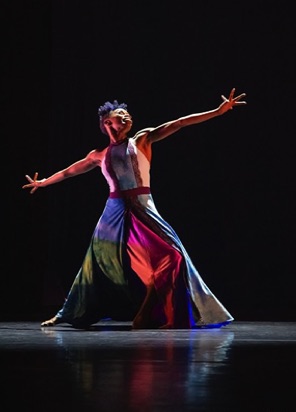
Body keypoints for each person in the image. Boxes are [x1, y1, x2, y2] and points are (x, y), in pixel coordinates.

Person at [23, 87, 246, 329]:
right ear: (107, 123)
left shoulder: (142, 139)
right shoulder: (98, 154)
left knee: (173, 255)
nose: (127, 117)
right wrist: (42, 182)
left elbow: (179, 123)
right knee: (96, 263)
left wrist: (218, 111)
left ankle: (158, 311)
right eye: (121, 115)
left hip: (142, 207)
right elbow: (69, 171)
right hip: (113, 212)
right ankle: (68, 313)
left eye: (127, 115)